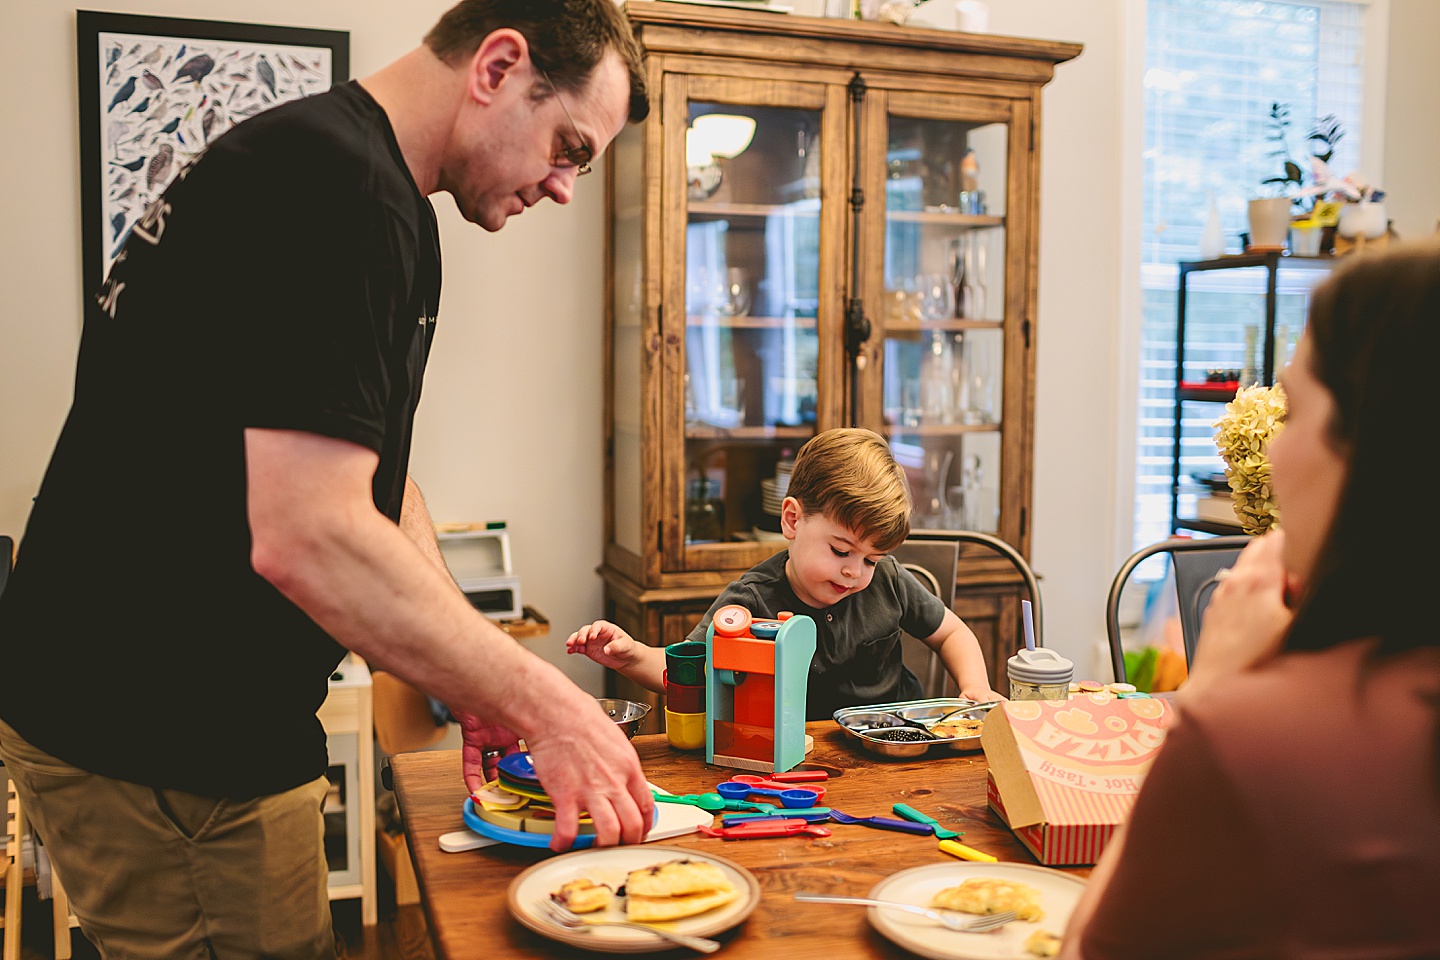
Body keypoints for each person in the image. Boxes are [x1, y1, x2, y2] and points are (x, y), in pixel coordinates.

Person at [0, 2, 653, 956]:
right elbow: (311, 533)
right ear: (498, 66)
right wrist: (543, 704)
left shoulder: (376, 193)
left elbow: (375, 482)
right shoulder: (338, 188)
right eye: (567, 147)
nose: (563, 188)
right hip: (157, 735)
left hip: (192, 724)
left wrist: (470, 681)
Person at [1060, 242, 1440, 959]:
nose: (1269, 455)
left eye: (1292, 411)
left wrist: (1205, 694)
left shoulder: (1246, 739)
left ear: (1370, 449)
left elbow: (1085, 947)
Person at [568, 428, 1007, 718]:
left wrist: (975, 686)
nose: (856, 571)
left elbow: (951, 632)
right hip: (798, 758)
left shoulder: (889, 579)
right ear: (793, 521)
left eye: (871, 558)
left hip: (894, 745)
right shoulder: (753, 600)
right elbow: (690, 667)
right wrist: (632, 656)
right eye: (841, 550)